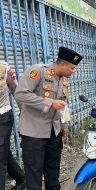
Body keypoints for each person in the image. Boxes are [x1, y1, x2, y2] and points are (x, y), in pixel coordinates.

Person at [14, 47, 82, 190]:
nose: (73, 71)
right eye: (72, 68)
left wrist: (64, 125)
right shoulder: (38, 71)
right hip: (33, 133)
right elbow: (20, 94)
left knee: (53, 174)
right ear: (62, 64)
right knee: (34, 177)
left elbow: (64, 104)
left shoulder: (63, 80)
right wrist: (49, 103)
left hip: (54, 132)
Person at [0, 61, 26, 190]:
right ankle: (21, 179)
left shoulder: (4, 69)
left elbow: (18, 91)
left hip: (3, 117)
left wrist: (25, 114)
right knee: (4, 153)